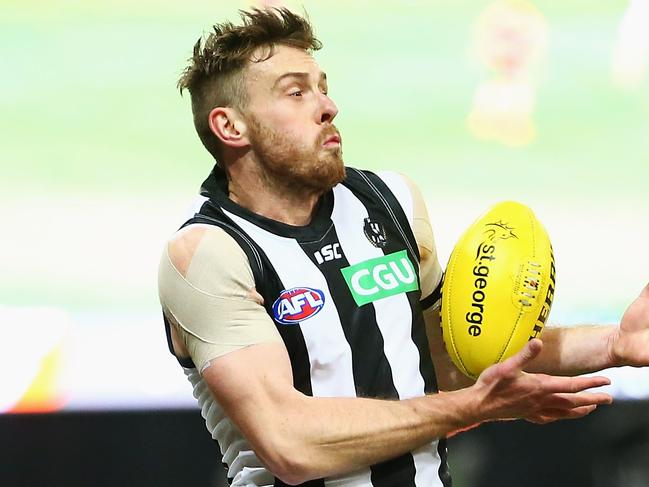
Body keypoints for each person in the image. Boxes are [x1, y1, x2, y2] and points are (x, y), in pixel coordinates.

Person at [157, 8, 649, 487]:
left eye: (323, 87)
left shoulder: (390, 202)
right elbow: (290, 445)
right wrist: (477, 406)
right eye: (296, 92)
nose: (328, 106)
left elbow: (450, 362)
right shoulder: (208, 254)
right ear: (230, 127)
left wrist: (613, 345)